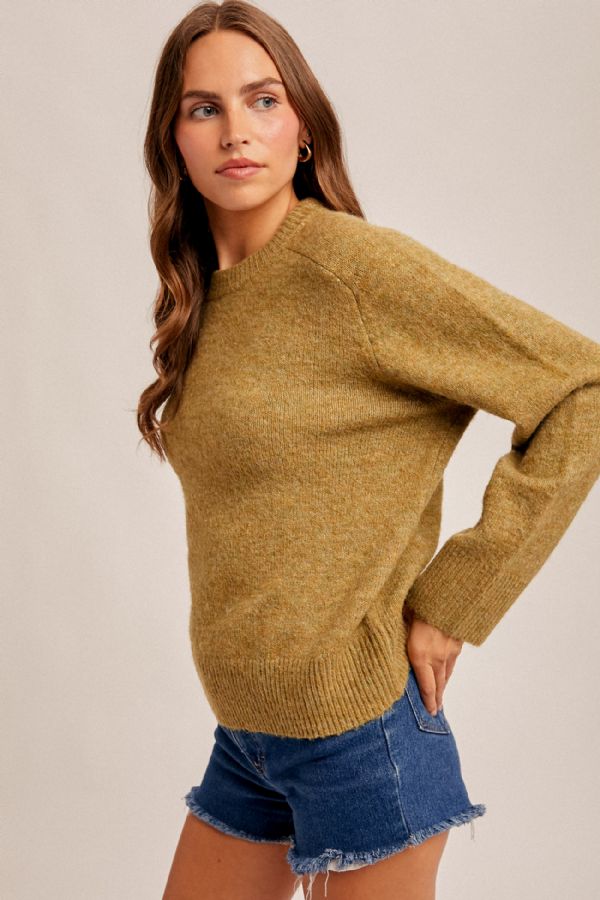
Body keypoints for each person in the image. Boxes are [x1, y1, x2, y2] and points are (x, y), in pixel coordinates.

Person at [136, 3, 600, 899]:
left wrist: (457, 600)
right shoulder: (205, 300)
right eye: (203, 108)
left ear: (303, 127)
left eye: (263, 100)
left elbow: (583, 387)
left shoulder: (352, 272)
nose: (236, 131)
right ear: (174, 141)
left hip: (361, 737)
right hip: (248, 739)